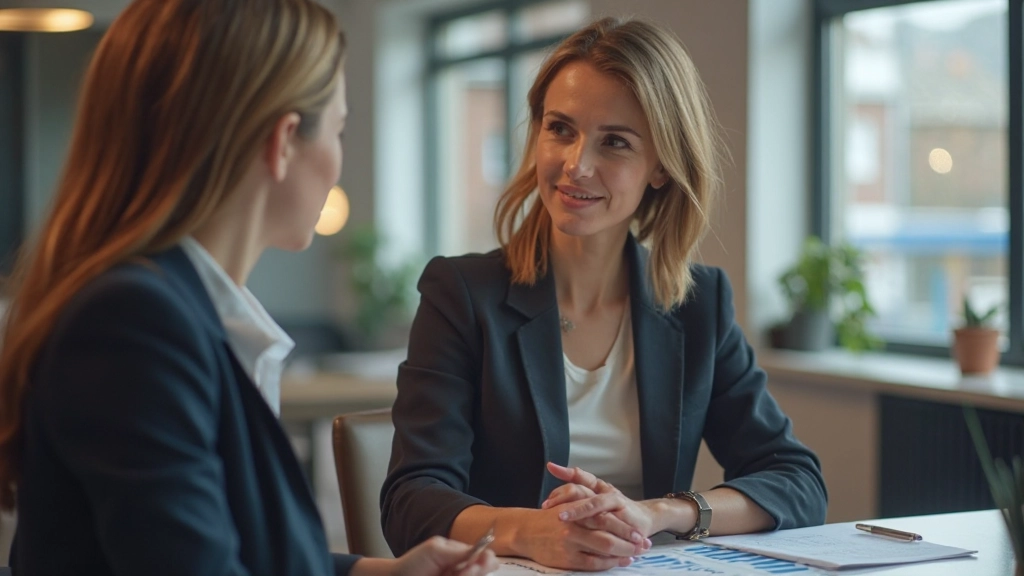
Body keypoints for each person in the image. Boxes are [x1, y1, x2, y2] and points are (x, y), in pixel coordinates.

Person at [0, 1, 498, 575]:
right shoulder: (134, 323)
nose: (337, 159)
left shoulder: (174, 307)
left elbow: (238, 549)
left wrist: (382, 572)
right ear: (285, 140)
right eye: (337, 129)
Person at [381, 16, 827, 571]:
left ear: (661, 165)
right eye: (560, 129)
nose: (577, 165)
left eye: (614, 142)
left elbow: (797, 481)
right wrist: (534, 532)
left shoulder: (698, 304)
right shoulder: (462, 294)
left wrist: (659, 513)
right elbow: (411, 501)